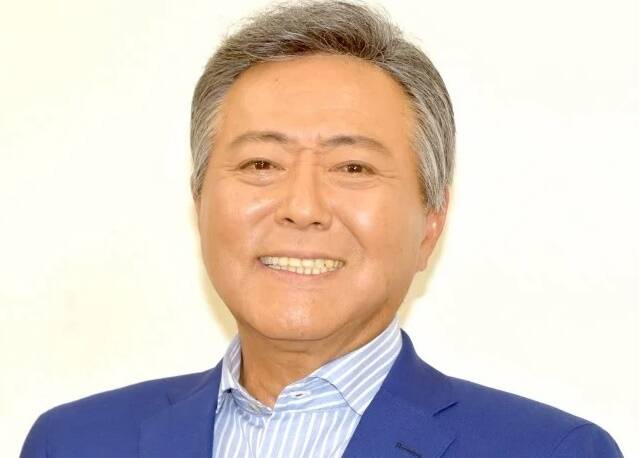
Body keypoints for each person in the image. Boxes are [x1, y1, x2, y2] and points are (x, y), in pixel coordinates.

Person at [20, 1, 623, 457]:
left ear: (431, 222)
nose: (302, 207)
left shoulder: (554, 450)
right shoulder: (73, 442)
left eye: (353, 168)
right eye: (261, 164)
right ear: (199, 201)